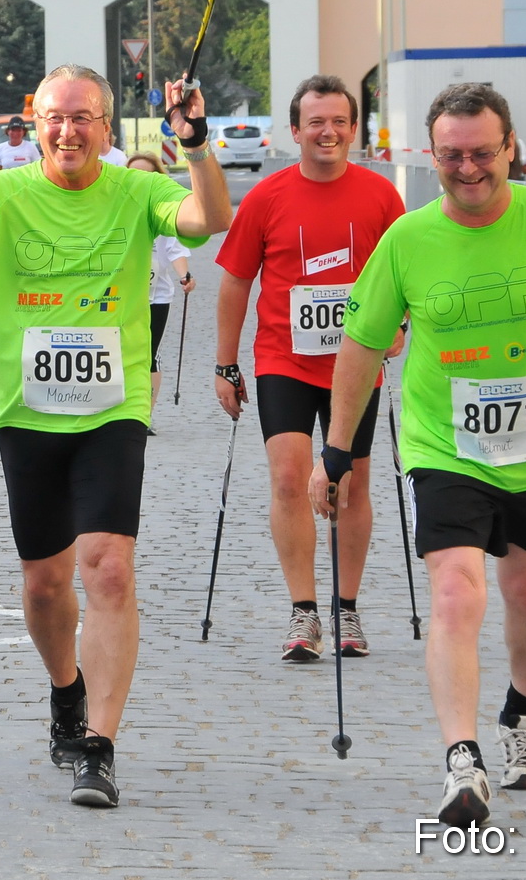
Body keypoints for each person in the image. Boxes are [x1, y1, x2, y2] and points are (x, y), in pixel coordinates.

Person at [307, 82, 526, 830]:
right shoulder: (408, 238)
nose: (468, 168)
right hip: (441, 442)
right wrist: (337, 450)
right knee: (456, 591)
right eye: (451, 155)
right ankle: (462, 758)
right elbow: (360, 347)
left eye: (481, 153)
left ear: (510, 148)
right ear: (432, 154)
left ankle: (521, 713)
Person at [0, 63, 232, 809]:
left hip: (114, 408)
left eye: (83, 116)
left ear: (107, 126)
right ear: (36, 122)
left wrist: (196, 144)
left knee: (107, 568)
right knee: (44, 581)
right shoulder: (2, 189)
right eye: (55, 115)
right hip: (28, 411)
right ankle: (65, 689)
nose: (68, 130)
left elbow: (205, 220)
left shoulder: (136, 188)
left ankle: (99, 744)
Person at [214, 76, 405, 661]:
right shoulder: (268, 198)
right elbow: (236, 282)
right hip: (284, 360)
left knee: (349, 485)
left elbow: (408, 275)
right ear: (295, 131)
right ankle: (303, 611)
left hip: (357, 363)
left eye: (339, 121)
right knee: (288, 478)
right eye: (316, 122)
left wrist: (401, 326)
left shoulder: (381, 197)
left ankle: (346, 610)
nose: (328, 131)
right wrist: (225, 363)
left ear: (354, 128)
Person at [125, 152, 193, 432]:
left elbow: (175, 250)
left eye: (147, 175)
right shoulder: (116, 208)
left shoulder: (162, 211)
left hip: (157, 296)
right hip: (122, 296)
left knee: (149, 353)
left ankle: (144, 415)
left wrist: (184, 276)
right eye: (134, 175)